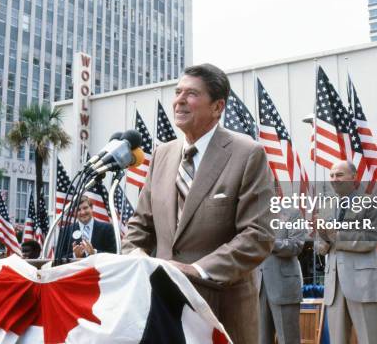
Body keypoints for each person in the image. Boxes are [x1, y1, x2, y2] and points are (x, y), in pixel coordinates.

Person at [122, 63, 275, 344]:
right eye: (178, 91)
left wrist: (196, 270)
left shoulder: (248, 154)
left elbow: (258, 236)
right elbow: (139, 227)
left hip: (221, 312)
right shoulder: (161, 155)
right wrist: (136, 261)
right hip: (162, 309)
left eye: (191, 94)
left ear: (217, 107)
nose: (179, 99)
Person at [316, 161, 377, 344]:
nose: (334, 179)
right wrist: (322, 238)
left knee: (371, 340)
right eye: (331, 175)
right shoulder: (326, 206)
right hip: (334, 287)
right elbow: (320, 247)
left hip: (363, 284)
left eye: (339, 175)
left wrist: (334, 235)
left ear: (353, 177)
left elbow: (371, 238)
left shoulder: (370, 202)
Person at [258, 205, 306, 344]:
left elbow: (296, 245)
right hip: (257, 287)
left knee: (288, 340)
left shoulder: (293, 213)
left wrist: (269, 243)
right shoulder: (253, 215)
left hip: (284, 287)